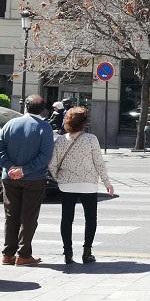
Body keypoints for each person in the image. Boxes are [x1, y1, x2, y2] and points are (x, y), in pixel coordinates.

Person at [49, 107, 113, 264]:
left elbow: (52, 164)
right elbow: (99, 163)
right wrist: (107, 182)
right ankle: (87, 252)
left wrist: (59, 178)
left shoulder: (60, 140)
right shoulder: (91, 139)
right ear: (84, 123)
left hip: (67, 185)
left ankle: (68, 253)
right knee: (90, 218)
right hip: (88, 184)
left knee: (67, 219)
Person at [0, 95, 54, 266]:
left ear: (26, 107)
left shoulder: (10, 124)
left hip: (9, 178)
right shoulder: (45, 127)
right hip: (33, 179)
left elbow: (1, 149)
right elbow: (45, 156)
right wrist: (24, 170)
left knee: (11, 216)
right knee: (28, 217)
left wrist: (10, 168)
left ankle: (8, 254)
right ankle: (23, 255)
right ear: (44, 109)